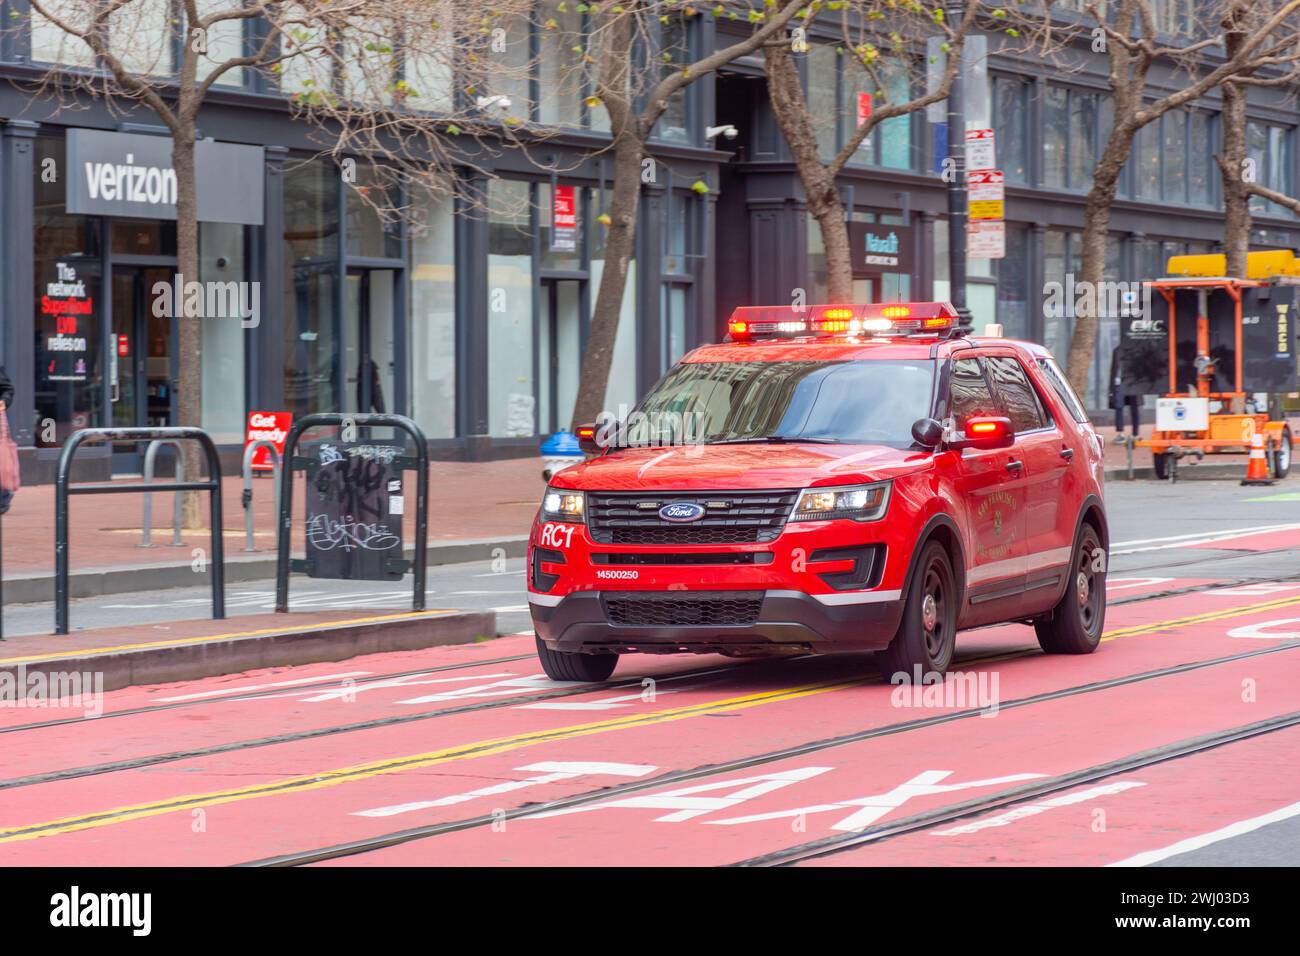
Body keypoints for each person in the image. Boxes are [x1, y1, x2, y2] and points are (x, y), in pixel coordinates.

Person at [1108, 346, 1141, 443]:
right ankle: (1120, 434)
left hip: (1133, 383)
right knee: (1119, 407)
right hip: (1119, 383)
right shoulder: (1117, 350)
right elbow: (1113, 369)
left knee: (1135, 408)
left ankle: (1135, 434)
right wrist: (1112, 386)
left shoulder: (1136, 348)